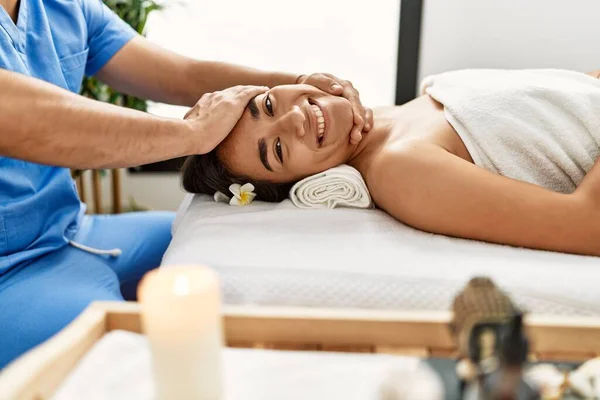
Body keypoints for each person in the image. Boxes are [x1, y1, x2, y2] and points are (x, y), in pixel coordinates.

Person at [0, 0, 373, 368]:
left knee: (230, 246)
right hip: (11, 276)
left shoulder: (62, 8)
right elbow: (17, 115)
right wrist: (192, 133)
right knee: (122, 365)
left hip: (72, 232)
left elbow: (184, 77)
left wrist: (300, 86)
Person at [182, 68, 600, 258]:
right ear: (306, 182)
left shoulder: (415, 102)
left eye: (269, 104)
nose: (294, 118)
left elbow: (572, 101)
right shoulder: (402, 171)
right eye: (276, 151)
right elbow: (589, 224)